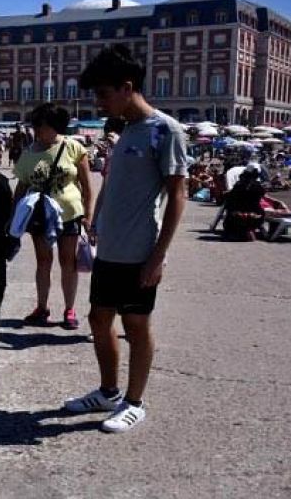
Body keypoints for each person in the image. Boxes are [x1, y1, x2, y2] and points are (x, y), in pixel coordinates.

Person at [62, 45, 189, 434]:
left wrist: (157, 257)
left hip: (139, 253)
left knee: (135, 326)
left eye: (103, 93)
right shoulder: (126, 130)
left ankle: (134, 403)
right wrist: (96, 220)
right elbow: (114, 185)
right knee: (99, 319)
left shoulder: (165, 130)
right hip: (110, 251)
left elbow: (178, 195)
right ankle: (108, 391)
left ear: (127, 86)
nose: (98, 103)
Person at [13, 103, 93, 331]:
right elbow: (21, 188)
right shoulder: (28, 154)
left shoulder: (74, 147)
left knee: (69, 263)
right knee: (43, 262)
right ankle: (42, 307)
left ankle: (69, 309)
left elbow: (87, 187)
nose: (37, 131)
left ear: (55, 126)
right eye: (35, 126)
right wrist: (14, 217)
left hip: (70, 214)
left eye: (41, 126)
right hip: (41, 217)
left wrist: (88, 216)